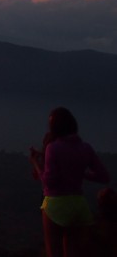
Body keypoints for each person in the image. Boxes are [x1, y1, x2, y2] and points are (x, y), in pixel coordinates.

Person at [29, 107, 111, 257]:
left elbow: (48, 182)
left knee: (53, 250)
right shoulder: (85, 148)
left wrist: (35, 163)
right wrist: (82, 173)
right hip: (79, 206)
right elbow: (104, 177)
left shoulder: (52, 148)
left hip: (53, 203)